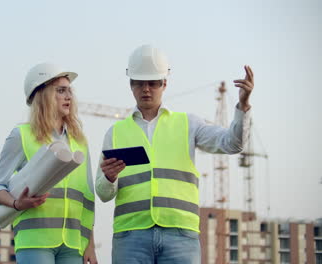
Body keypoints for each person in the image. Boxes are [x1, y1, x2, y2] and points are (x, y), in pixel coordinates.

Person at [95, 44, 254, 264]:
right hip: (130, 236)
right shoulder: (115, 133)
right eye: (140, 83)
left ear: (164, 84)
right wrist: (109, 178)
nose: (146, 89)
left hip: (180, 235)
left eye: (153, 83)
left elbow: (232, 143)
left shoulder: (188, 124)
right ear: (131, 85)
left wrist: (243, 106)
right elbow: (103, 193)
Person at [0, 63, 98, 264]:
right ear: (43, 95)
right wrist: (15, 203)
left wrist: (89, 244)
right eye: (61, 90)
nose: (68, 97)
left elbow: (87, 195)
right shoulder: (21, 136)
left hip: (73, 243)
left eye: (69, 91)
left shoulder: (79, 141)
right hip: (35, 240)